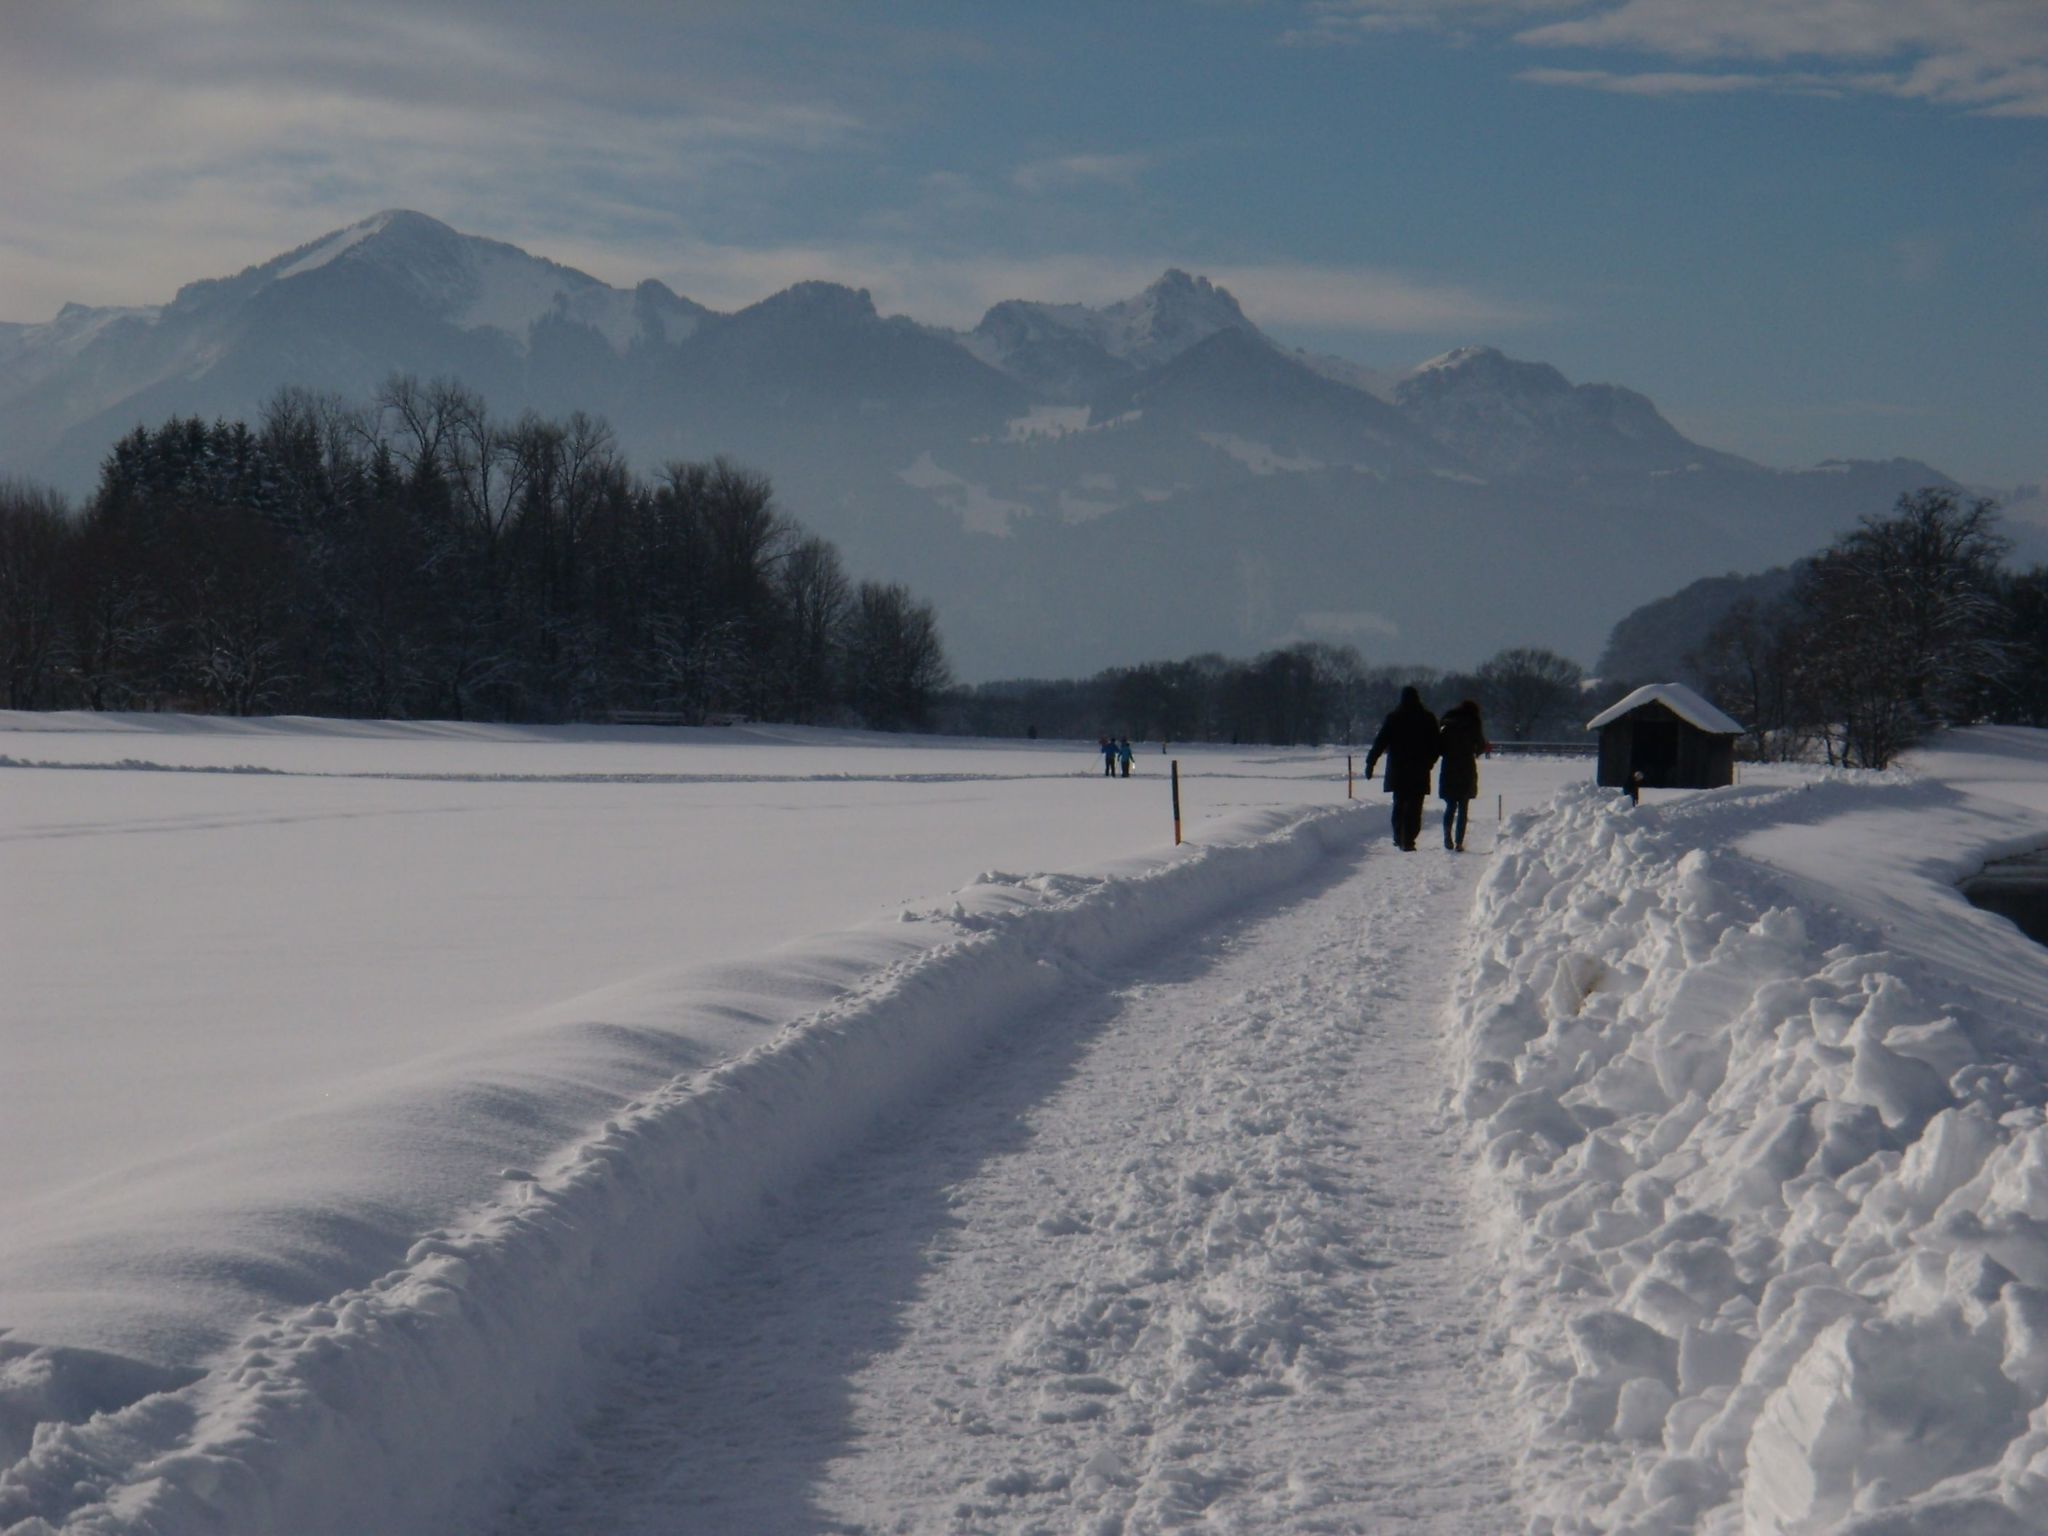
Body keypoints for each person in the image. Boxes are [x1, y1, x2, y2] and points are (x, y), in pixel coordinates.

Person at [1364, 685, 1440, 851]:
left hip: (1398, 770)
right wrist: (1429, 763)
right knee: (1415, 806)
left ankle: (1399, 836)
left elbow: (1380, 741)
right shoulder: (1427, 718)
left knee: (1399, 804)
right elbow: (1436, 745)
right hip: (1419, 770)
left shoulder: (1394, 718)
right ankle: (1409, 838)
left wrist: (1370, 762)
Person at [1436, 698, 1491, 852]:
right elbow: (1480, 746)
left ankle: (1447, 835)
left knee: (1450, 805)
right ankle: (1459, 842)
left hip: (1449, 767)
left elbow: (1439, 747)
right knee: (1463, 806)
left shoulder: (1447, 725)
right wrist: (1478, 749)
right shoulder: (1473, 725)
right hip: (1466, 767)